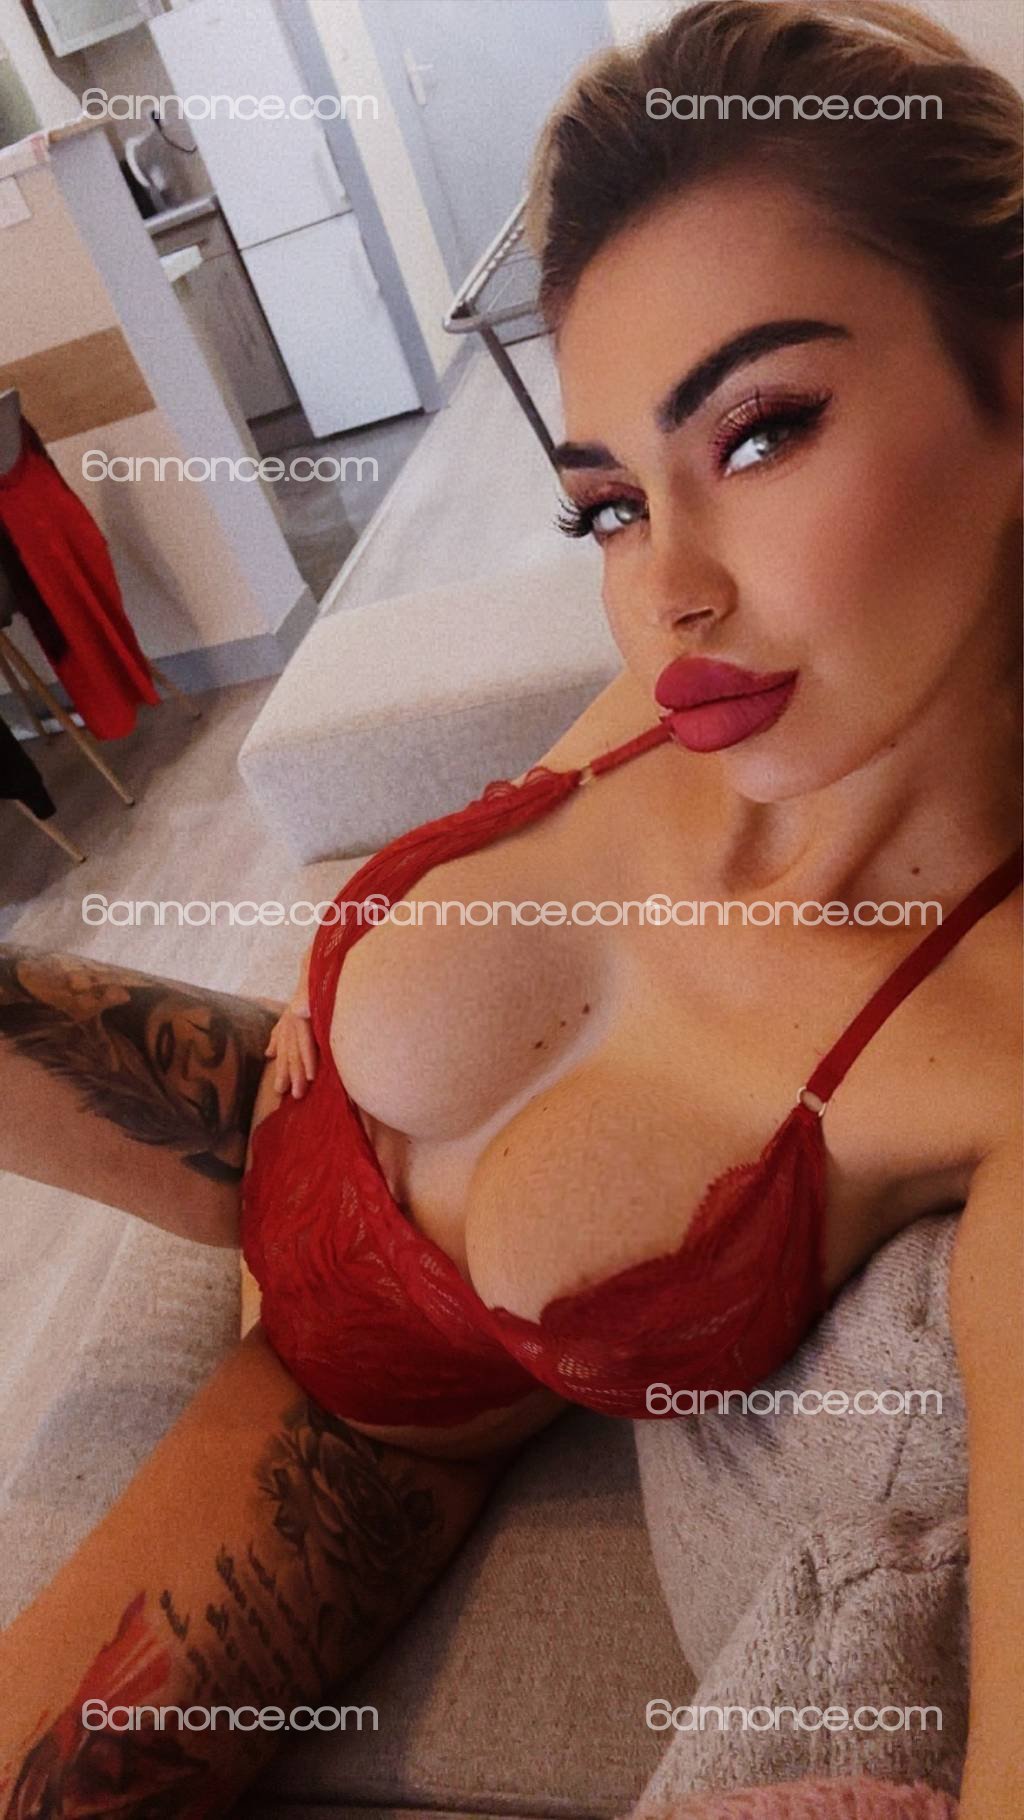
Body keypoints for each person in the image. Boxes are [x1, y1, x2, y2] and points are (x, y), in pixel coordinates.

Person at [0, 2, 1020, 1814]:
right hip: (268, 1116)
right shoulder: (691, 694)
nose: (667, 590)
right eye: (606, 505)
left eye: (762, 432)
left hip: (359, 1409)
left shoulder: (987, 1059)